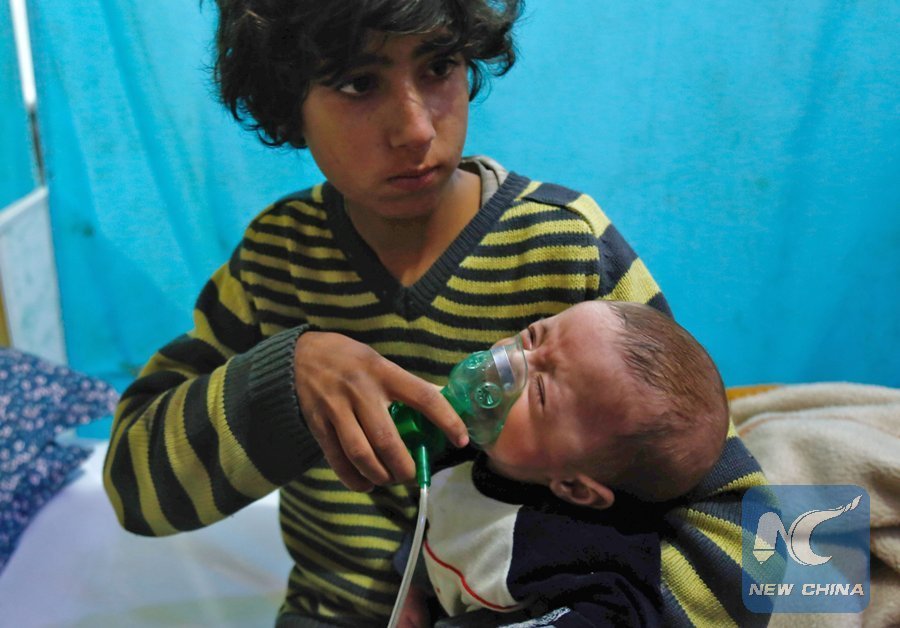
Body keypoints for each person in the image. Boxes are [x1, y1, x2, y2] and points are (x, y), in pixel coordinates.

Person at [102, 1, 768, 626]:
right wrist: (284, 382)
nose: (416, 129)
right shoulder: (276, 260)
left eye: (439, 66)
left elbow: (757, 541)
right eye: (359, 83)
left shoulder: (567, 248)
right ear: (286, 98)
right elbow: (134, 494)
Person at [398, 300, 730, 627]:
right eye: (532, 337)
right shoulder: (462, 447)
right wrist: (414, 588)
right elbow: (437, 520)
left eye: (539, 392)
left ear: (575, 487)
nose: (510, 362)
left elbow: (621, 613)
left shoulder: (572, 548)